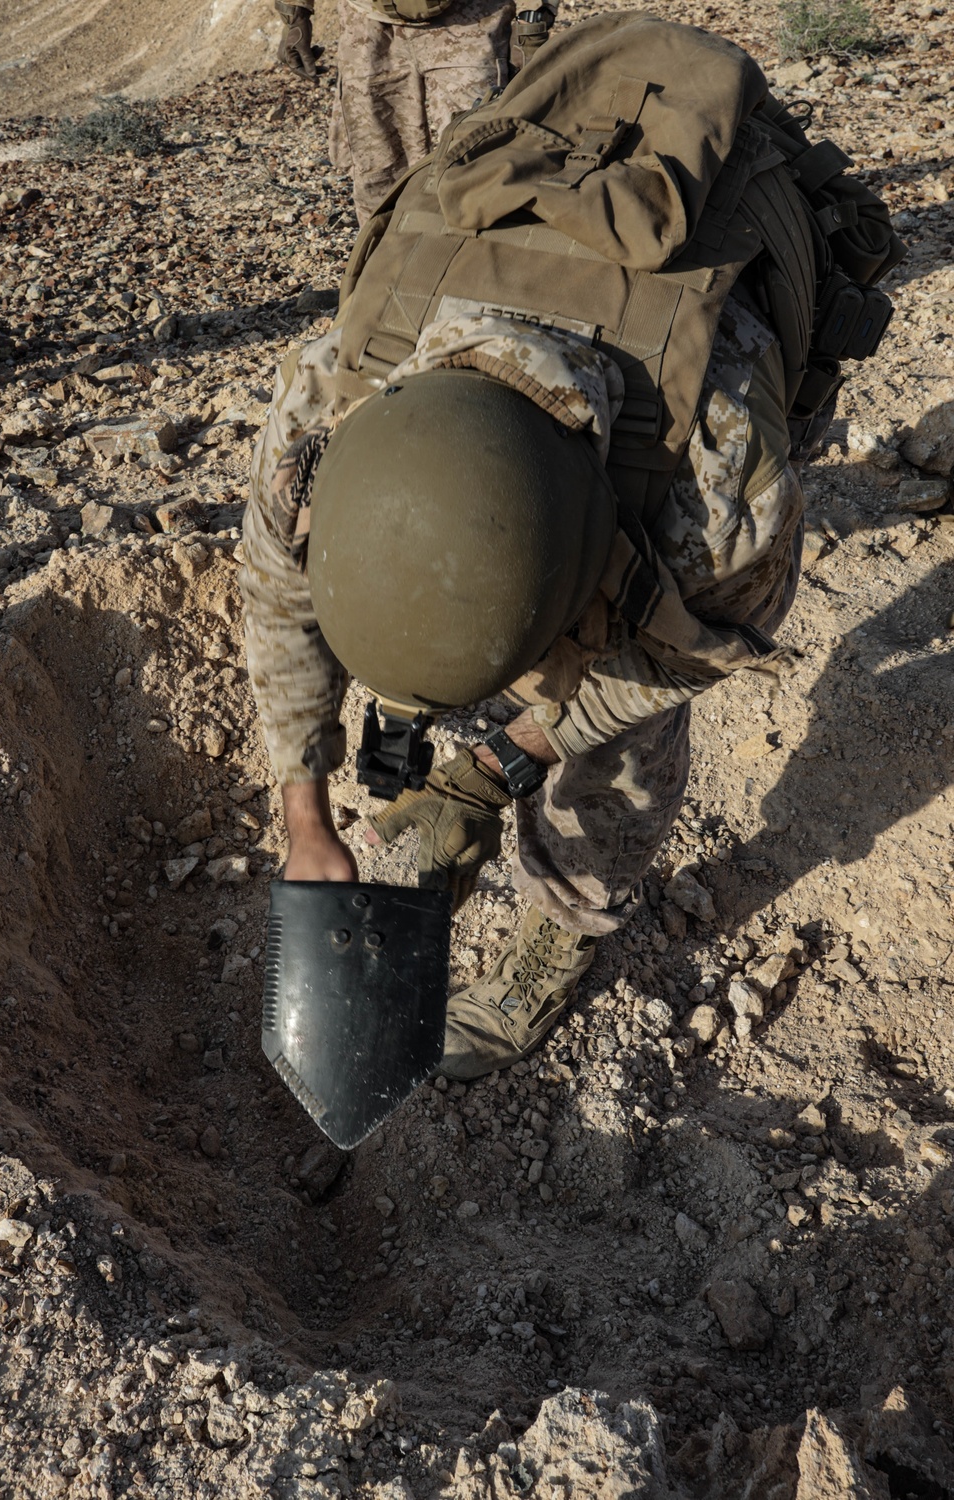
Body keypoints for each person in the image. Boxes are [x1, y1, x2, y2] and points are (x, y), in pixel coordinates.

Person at [242, 13, 902, 1081]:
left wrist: (497, 767)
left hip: (711, 295)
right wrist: (304, 812)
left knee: (620, 725)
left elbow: (683, 652)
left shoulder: (718, 492)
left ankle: (572, 917)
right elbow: (277, 596)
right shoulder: (329, 394)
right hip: (531, 217)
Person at [273, 0, 555, 223]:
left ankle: (472, 277)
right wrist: (295, 12)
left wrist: (536, 14)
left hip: (472, 19)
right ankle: (383, 277)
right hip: (367, 24)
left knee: (479, 161)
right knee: (378, 169)